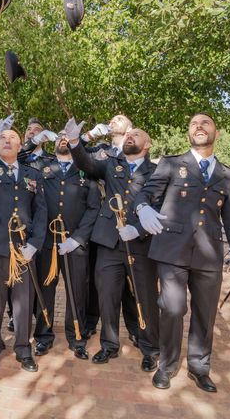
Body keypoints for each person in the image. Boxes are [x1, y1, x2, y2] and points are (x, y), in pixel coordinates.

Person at [134, 113, 230, 392]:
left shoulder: (227, 175)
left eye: (206, 123)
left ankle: (199, 367)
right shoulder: (171, 163)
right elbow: (144, 193)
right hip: (172, 249)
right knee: (173, 308)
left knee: (205, 313)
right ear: (188, 133)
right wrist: (142, 209)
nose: (199, 127)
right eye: (193, 124)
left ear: (217, 133)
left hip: (209, 253)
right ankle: (167, 365)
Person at [65, 118, 160, 372]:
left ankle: (150, 347)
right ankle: (109, 345)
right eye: (130, 135)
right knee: (107, 295)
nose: (131, 137)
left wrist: (138, 229)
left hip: (141, 244)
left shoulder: (157, 172)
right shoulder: (110, 164)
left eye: (137, 135)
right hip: (108, 240)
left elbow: (161, 209)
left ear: (147, 145)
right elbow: (86, 163)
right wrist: (75, 142)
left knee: (145, 296)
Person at [0, 113, 47, 373]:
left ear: (20, 145)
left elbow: (41, 212)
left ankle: (23, 349)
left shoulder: (32, 174)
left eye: (12, 138)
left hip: (23, 247)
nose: (7, 141)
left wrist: (35, 243)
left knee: (23, 301)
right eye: (2, 138)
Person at [32, 132, 101, 360]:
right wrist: (33, 140)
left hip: (75, 243)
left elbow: (93, 208)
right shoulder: (42, 167)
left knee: (77, 291)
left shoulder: (86, 171)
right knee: (45, 289)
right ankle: (43, 336)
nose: (63, 138)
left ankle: (77, 337)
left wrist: (77, 238)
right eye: (60, 136)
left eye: (68, 136)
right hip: (47, 242)